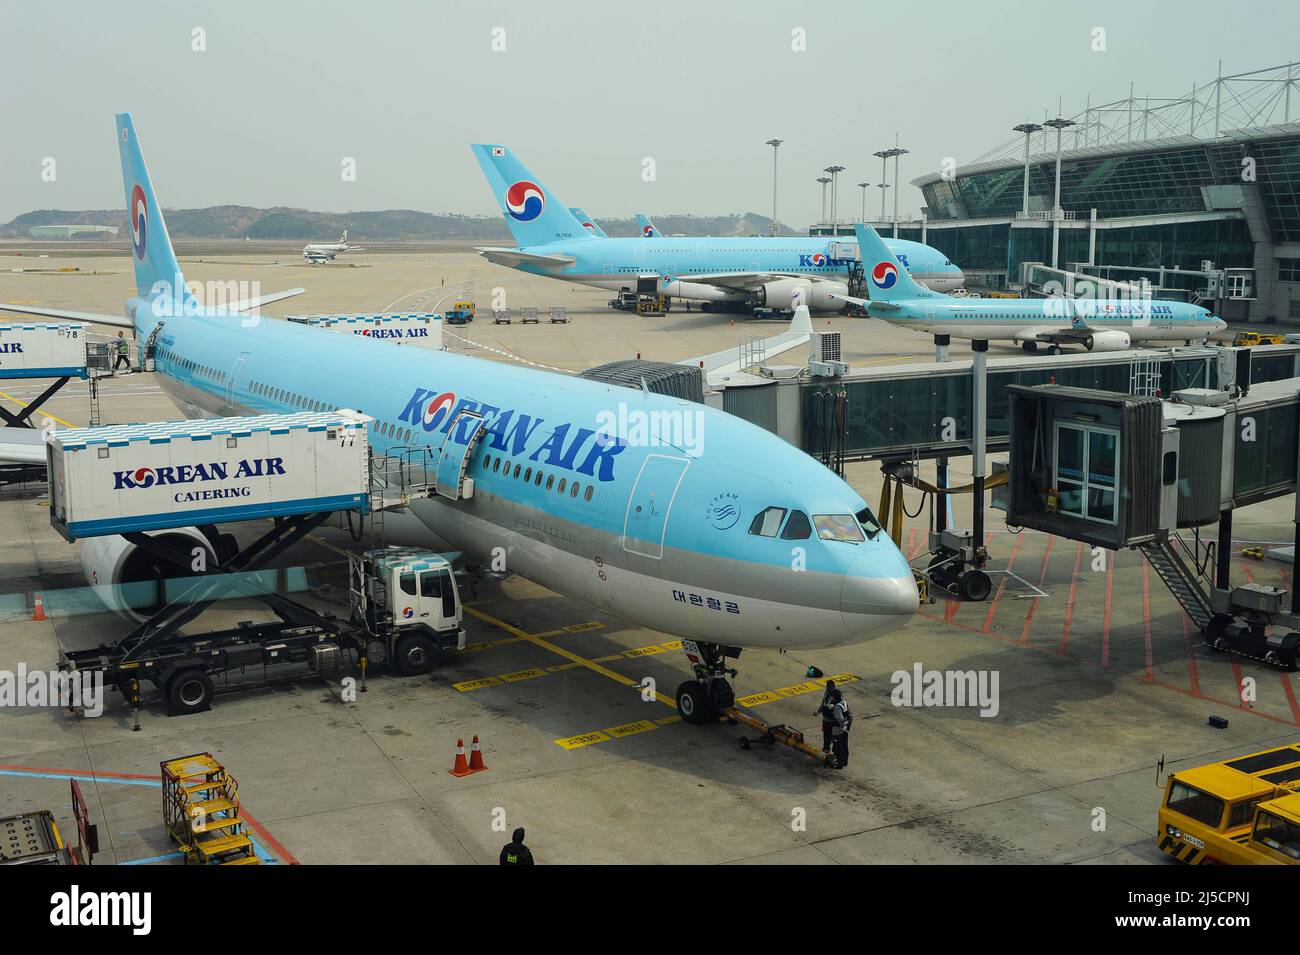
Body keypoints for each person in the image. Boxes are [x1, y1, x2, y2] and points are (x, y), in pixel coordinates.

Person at [829, 689, 853, 769]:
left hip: (838, 730)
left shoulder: (837, 707)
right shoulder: (844, 703)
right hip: (845, 729)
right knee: (844, 745)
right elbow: (850, 715)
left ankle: (839, 764)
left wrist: (841, 726)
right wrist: (848, 725)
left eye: (832, 697)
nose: (831, 699)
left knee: (837, 747)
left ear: (835, 698)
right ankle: (845, 761)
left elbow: (840, 719)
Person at [815, 679, 837, 753]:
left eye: (830, 687)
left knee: (833, 737)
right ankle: (826, 750)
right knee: (826, 737)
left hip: (832, 720)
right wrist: (818, 712)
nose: (829, 688)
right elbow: (823, 704)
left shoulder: (836, 695)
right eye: (828, 687)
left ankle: (835, 752)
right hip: (826, 719)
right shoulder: (827, 693)